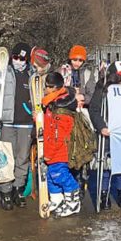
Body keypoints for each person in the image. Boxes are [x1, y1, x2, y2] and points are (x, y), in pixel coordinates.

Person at [0, 42, 33, 210]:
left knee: (22, 158)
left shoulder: (32, 74)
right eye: (15, 57)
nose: (18, 60)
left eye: (22, 58)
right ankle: (5, 191)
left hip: (26, 124)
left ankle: (18, 190)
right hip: (7, 122)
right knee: (7, 158)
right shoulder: (3, 73)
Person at [88, 61, 121, 210]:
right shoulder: (101, 89)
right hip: (106, 133)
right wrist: (101, 126)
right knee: (105, 163)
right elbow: (93, 110)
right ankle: (103, 193)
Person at [41, 72, 81, 217]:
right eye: (46, 86)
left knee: (60, 175)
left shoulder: (60, 108)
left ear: (57, 87)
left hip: (60, 150)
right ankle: (57, 199)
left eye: (49, 87)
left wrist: (49, 153)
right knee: (51, 175)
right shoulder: (51, 104)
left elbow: (57, 135)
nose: (46, 89)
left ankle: (73, 202)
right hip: (52, 148)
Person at [58, 45, 97, 194]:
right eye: (75, 59)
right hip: (66, 112)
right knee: (68, 145)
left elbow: (91, 93)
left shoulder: (88, 73)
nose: (77, 62)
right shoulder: (61, 72)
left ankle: (82, 177)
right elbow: (59, 92)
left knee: (82, 143)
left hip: (82, 112)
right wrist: (72, 97)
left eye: (80, 60)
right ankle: (69, 176)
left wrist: (83, 98)